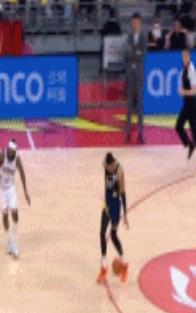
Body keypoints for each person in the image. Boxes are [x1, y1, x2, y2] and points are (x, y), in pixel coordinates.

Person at [0, 140, 31, 259]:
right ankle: (9, 240)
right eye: (8, 150)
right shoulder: (1, 155)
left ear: (14, 151)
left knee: (14, 212)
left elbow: (22, 174)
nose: (9, 152)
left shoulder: (17, 159)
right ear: (7, 148)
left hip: (11, 189)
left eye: (12, 151)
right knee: (4, 214)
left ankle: (13, 240)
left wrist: (25, 192)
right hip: (2, 189)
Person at [97, 153, 129, 284]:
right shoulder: (105, 165)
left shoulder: (120, 172)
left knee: (113, 235)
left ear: (113, 164)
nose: (108, 169)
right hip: (107, 205)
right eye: (107, 166)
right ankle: (104, 266)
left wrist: (125, 214)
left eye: (109, 167)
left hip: (116, 206)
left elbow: (123, 193)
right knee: (101, 233)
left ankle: (124, 263)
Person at [124, 13, 147, 145]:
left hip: (139, 73)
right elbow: (126, 53)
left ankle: (140, 133)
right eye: (133, 22)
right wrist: (134, 53)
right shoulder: (128, 36)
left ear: (140, 23)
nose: (134, 24)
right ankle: (127, 133)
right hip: (130, 74)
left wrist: (134, 53)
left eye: (136, 22)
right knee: (128, 104)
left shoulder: (143, 37)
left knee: (140, 104)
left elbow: (142, 54)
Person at [176, 48, 196, 160]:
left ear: (189, 57)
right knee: (181, 127)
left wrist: (184, 92)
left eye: (185, 56)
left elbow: (194, 91)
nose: (184, 58)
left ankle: (190, 144)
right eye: (182, 56)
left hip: (192, 105)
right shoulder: (184, 69)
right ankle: (189, 144)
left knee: (183, 127)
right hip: (187, 104)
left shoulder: (192, 70)